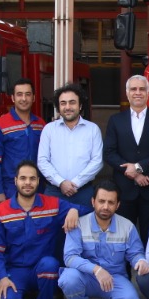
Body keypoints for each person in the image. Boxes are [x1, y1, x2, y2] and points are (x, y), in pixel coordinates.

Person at [0, 160, 79, 299]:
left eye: (32, 178)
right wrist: (3, 277)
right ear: (15, 181)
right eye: (23, 178)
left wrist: (74, 210)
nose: (27, 183)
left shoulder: (52, 204)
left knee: (50, 264)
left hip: (41, 268)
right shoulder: (1, 211)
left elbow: (88, 210)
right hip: (15, 270)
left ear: (38, 181)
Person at [58, 181, 149, 299]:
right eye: (101, 201)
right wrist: (96, 269)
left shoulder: (127, 226)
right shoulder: (79, 224)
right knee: (68, 279)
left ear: (118, 205)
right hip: (86, 277)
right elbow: (70, 257)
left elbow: (135, 253)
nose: (105, 207)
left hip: (113, 278)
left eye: (111, 202)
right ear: (93, 202)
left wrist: (140, 261)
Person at [103, 74, 149, 244]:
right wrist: (133, 173)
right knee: (122, 239)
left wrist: (138, 167)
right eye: (133, 89)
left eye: (142, 89)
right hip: (124, 190)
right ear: (127, 93)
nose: (138, 92)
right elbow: (109, 153)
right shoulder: (115, 120)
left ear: (148, 93)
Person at [37, 82, 102, 213]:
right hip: (54, 191)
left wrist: (75, 183)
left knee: (84, 226)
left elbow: (97, 161)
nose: (67, 107)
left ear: (80, 105)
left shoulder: (92, 129)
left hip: (83, 193)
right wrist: (61, 183)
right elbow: (42, 161)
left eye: (72, 102)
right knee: (52, 226)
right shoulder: (49, 129)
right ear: (58, 107)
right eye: (63, 103)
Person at [0, 77, 45, 202]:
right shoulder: (0, 124)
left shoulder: (41, 124)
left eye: (28, 94)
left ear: (34, 98)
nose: (24, 99)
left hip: (38, 186)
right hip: (11, 187)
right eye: (19, 94)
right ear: (13, 98)